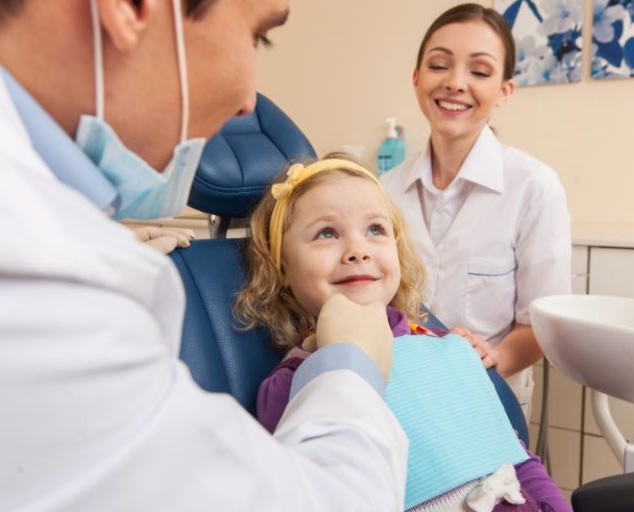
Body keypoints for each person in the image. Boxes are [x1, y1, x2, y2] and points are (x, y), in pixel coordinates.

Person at [0, 1, 409, 510]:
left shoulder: (12, 223)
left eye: (375, 229)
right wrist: (348, 366)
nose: (247, 105)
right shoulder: (15, 268)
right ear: (130, 9)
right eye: (258, 36)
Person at [235, 156, 571, 511]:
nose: (357, 251)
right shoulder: (290, 384)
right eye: (327, 233)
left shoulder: (445, 346)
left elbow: (517, 458)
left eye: (375, 230)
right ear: (282, 266)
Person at [380, 3, 572, 418]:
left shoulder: (534, 188)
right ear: (416, 79)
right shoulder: (383, 191)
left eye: (480, 72)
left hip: (489, 398)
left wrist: (485, 362)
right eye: (438, 65)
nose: (455, 83)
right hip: (400, 395)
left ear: (504, 90)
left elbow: (540, 325)